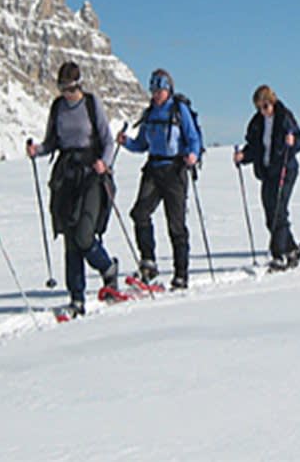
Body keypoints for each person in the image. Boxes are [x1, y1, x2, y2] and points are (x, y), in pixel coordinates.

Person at [26, 61, 117, 317]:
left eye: (70, 89)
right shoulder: (57, 107)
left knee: (84, 234)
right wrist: (38, 151)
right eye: (62, 89)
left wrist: (104, 164)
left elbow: (107, 141)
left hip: (91, 173)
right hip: (66, 174)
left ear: (78, 84)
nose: (67, 94)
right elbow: (52, 142)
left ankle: (108, 268)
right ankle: (76, 296)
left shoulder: (91, 103)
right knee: (69, 237)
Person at [117, 69, 201, 289]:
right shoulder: (150, 114)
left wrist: (193, 154)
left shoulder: (179, 110)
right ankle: (148, 262)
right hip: (153, 169)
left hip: (175, 170)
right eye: (153, 90)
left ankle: (181, 273)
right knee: (139, 213)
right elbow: (142, 144)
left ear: (168, 89)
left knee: (176, 224)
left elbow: (193, 138)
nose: (156, 94)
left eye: (159, 90)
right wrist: (126, 142)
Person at [233, 85, 300, 271]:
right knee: (269, 214)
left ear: (271, 102)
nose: (262, 111)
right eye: (259, 107)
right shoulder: (257, 123)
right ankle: (291, 249)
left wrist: (293, 142)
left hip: (285, 169)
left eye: (265, 106)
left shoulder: (284, 117)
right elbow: (255, 147)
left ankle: (278, 255)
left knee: (279, 211)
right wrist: (243, 156)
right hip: (267, 172)